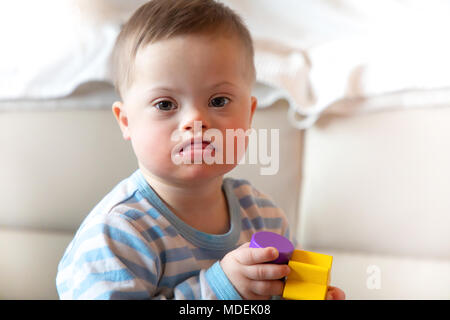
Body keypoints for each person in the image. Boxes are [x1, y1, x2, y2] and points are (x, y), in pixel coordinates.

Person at [56, 0, 345, 300]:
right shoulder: (118, 233)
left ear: (248, 115)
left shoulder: (263, 217)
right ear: (126, 122)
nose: (195, 121)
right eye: (165, 104)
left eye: (218, 101)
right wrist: (219, 289)